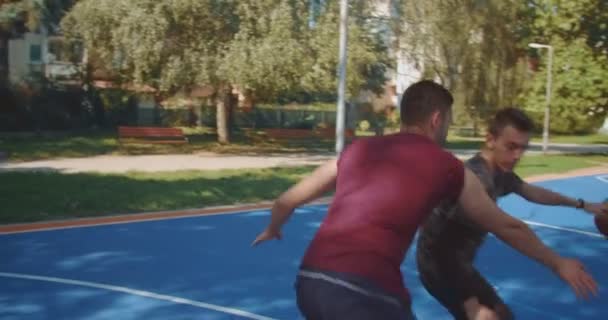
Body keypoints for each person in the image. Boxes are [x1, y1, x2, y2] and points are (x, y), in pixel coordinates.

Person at [252, 81, 597, 320]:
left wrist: (273, 228)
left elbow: (287, 200)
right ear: (437, 119)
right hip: (364, 291)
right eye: (448, 119)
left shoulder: (357, 151)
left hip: (311, 282)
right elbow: (504, 224)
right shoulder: (446, 166)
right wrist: (557, 262)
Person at [416, 107, 608, 320]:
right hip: (439, 266)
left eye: (522, 149)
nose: (517, 156)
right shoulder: (477, 178)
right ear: (490, 140)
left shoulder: (500, 171)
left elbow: (533, 192)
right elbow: (508, 228)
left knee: (503, 316)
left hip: (459, 265)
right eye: (511, 147)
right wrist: (557, 262)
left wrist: (581, 204)